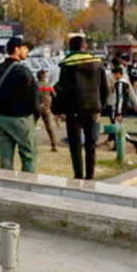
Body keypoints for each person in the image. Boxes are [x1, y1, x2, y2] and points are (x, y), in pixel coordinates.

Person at [52, 36, 108, 180]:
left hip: (73, 109)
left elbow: (63, 90)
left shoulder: (67, 64)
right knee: (91, 144)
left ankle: (78, 175)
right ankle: (90, 175)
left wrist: (57, 110)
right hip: (93, 108)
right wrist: (101, 107)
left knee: (75, 145)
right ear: (85, 46)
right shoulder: (97, 63)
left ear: (71, 47)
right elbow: (104, 88)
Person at [0, 37, 40, 173]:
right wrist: (35, 117)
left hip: (0, 118)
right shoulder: (24, 72)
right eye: (25, 48)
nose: (27, 51)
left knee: (5, 159)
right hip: (21, 118)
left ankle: (5, 188)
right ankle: (28, 188)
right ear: (16, 49)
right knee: (28, 155)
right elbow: (34, 98)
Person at [109, 65, 137, 154]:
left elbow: (120, 98)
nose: (113, 77)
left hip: (117, 108)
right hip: (121, 108)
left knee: (117, 127)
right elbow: (131, 94)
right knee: (117, 127)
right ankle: (117, 145)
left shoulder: (120, 84)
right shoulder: (126, 83)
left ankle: (134, 142)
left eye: (114, 74)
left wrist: (118, 112)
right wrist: (136, 104)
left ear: (118, 74)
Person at [36, 69, 59, 152]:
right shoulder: (48, 86)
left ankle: (32, 144)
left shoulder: (35, 85)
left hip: (36, 108)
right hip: (46, 108)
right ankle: (54, 145)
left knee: (31, 127)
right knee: (49, 127)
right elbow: (54, 95)